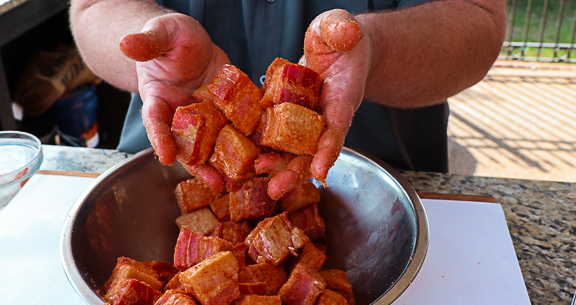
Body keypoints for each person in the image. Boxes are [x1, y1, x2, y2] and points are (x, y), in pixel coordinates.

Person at [69, 0, 506, 187]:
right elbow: (92, 9)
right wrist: (150, 44)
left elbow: (479, 17)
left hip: (385, 199)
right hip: (155, 185)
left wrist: (373, 48)